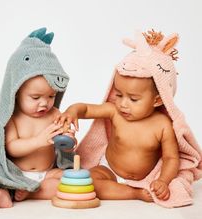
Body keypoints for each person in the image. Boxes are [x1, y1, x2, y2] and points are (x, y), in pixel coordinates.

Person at [56, 30, 182, 202]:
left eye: (133, 99)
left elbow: (171, 158)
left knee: (176, 186)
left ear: (158, 99)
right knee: (91, 180)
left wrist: (163, 180)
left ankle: (142, 188)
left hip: (148, 177)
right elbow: (86, 109)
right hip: (110, 170)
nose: (123, 104)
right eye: (119, 94)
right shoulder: (114, 112)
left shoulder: (162, 125)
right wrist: (73, 111)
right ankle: (133, 193)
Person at [0, 27, 74, 213]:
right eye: (35, 97)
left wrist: (68, 142)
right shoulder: (12, 118)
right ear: (15, 93)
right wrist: (39, 141)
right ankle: (4, 194)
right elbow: (11, 148)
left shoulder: (55, 114)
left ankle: (29, 193)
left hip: (47, 173)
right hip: (15, 174)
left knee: (68, 180)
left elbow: (65, 145)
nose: (44, 103)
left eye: (50, 96)